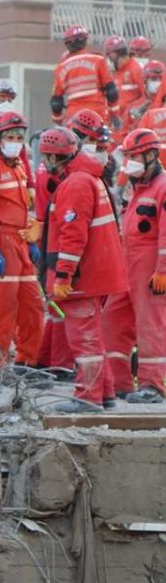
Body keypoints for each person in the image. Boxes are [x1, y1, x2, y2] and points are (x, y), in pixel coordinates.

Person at [38, 126, 127, 412]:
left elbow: (73, 236)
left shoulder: (75, 184)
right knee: (93, 336)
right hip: (96, 271)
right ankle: (106, 392)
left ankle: (88, 397)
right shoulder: (89, 177)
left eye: (47, 158)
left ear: (55, 158)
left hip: (82, 276)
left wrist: (63, 276)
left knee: (83, 339)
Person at [0, 112, 46, 376]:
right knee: (1, 310)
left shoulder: (18, 166)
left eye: (19, 137)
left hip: (18, 241)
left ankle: (27, 362)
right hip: (1, 244)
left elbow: (22, 207)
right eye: (10, 137)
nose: (15, 141)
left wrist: (30, 239)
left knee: (32, 306)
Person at [102, 128, 166, 403]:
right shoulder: (137, 188)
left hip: (150, 268)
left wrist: (162, 272)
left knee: (150, 324)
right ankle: (119, 382)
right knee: (111, 322)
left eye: (135, 156)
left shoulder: (162, 187)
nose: (130, 163)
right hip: (127, 266)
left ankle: (153, 385)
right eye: (127, 157)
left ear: (152, 155)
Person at [52, 25, 118, 123]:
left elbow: (56, 102)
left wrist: (57, 119)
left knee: (74, 138)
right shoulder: (98, 60)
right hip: (96, 113)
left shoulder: (60, 68)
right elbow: (111, 92)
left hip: (73, 116)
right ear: (85, 41)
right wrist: (114, 115)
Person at [106, 35, 144, 137]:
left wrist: (131, 111)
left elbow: (147, 97)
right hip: (118, 126)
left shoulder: (136, 69)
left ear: (114, 54)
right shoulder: (117, 73)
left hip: (130, 127)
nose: (108, 58)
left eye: (108, 55)